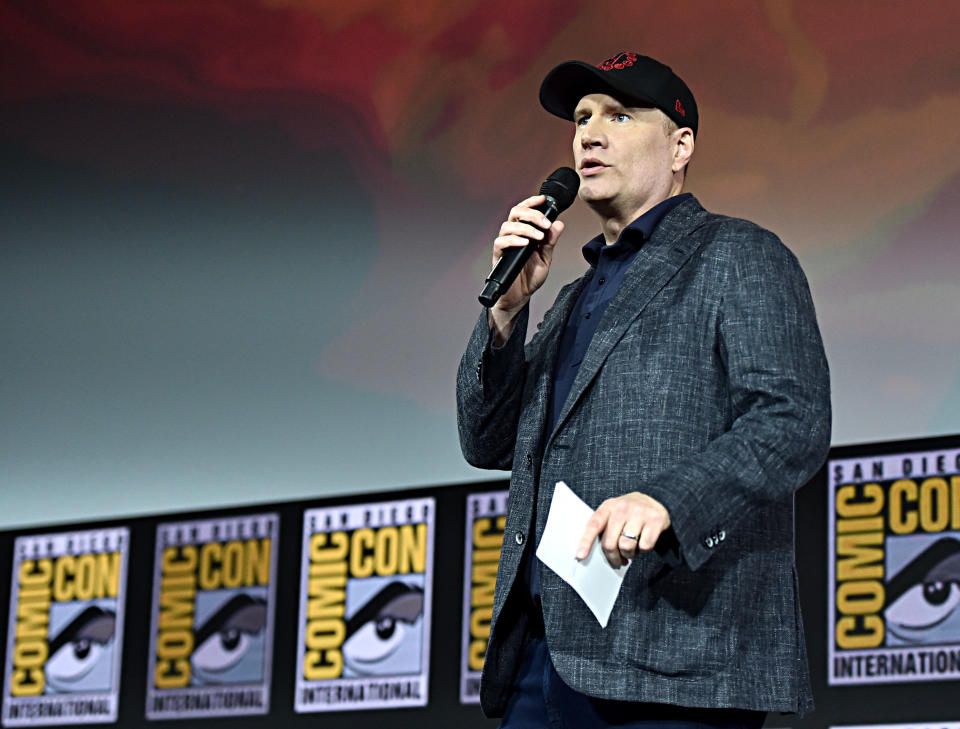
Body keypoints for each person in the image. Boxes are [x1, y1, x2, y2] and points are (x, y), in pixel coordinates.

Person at [456, 51, 831, 729]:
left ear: (681, 144)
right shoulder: (569, 298)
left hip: (675, 662)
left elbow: (792, 417)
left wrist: (669, 498)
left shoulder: (738, 253)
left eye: (620, 115)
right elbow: (485, 440)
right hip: (543, 662)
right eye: (581, 118)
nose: (589, 135)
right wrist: (505, 314)